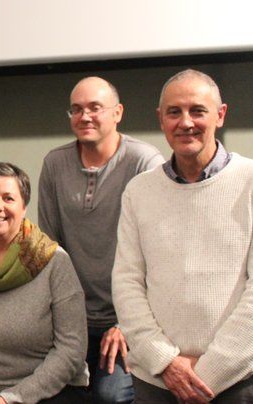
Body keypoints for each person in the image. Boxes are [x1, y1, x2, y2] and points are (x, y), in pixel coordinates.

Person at [112, 69, 253, 403]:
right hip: (157, 380)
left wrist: (208, 373)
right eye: (174, 112)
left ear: (220, 114)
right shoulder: (138, 191)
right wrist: (166, 362)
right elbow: (126, 284)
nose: (185, 122)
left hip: (239, 382)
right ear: (160, 119)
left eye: (197, 111)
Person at [38, 76, 163, 403]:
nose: (85, 116)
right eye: (76, 109)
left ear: (117, 112)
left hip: (129, 318)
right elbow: (50, 248)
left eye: (95, 108)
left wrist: (127, 324)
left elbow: (159, 255)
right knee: (53, 392)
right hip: (73, 318)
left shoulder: (144, 161)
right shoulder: (54, 163)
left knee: (111, 396)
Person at [0, 162, 89, 404]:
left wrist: (11, 399)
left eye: (8, 198)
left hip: (48, 391)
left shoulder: (54, 261)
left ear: (23, 207)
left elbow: (71, 350)